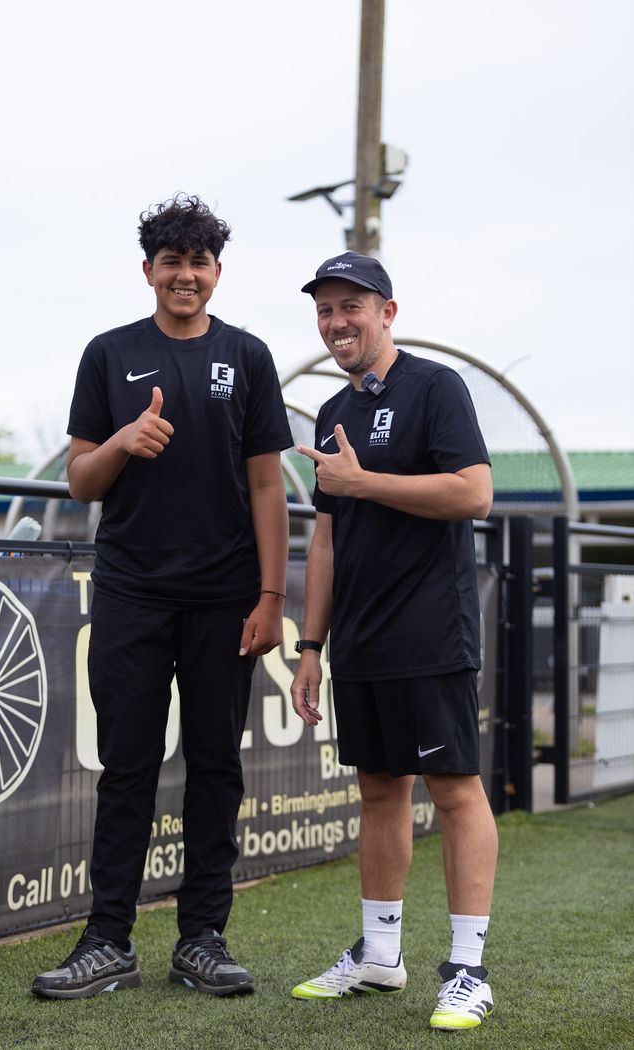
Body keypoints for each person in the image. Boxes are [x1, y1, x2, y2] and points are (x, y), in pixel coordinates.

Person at [32, 194, 292, 1000]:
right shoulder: (108, 353)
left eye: (199, 262)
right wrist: (122, 439)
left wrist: (271, 594)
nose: (186, 275)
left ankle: (202, 939)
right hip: (130, 593)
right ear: (147, 270)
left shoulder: (247, 356)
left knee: (217, 767)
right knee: (127, 768)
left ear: (217, 271)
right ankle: (107, 940)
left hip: (226, 599)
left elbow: (268, 486)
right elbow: (81, 481)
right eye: (172, 262)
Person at [289, 251, 498, 1032]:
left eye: (352, 306)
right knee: (379, 790)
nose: (337, 321)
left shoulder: (437, 387)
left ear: (388, 312)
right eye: (325, 309)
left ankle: (468, 971)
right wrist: (311, 646)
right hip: (361, 639)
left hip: (432, 629)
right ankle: (380, 957)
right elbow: (327, 541)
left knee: (454, 790)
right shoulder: (329, 413)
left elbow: (474, 493)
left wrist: (363, 482)